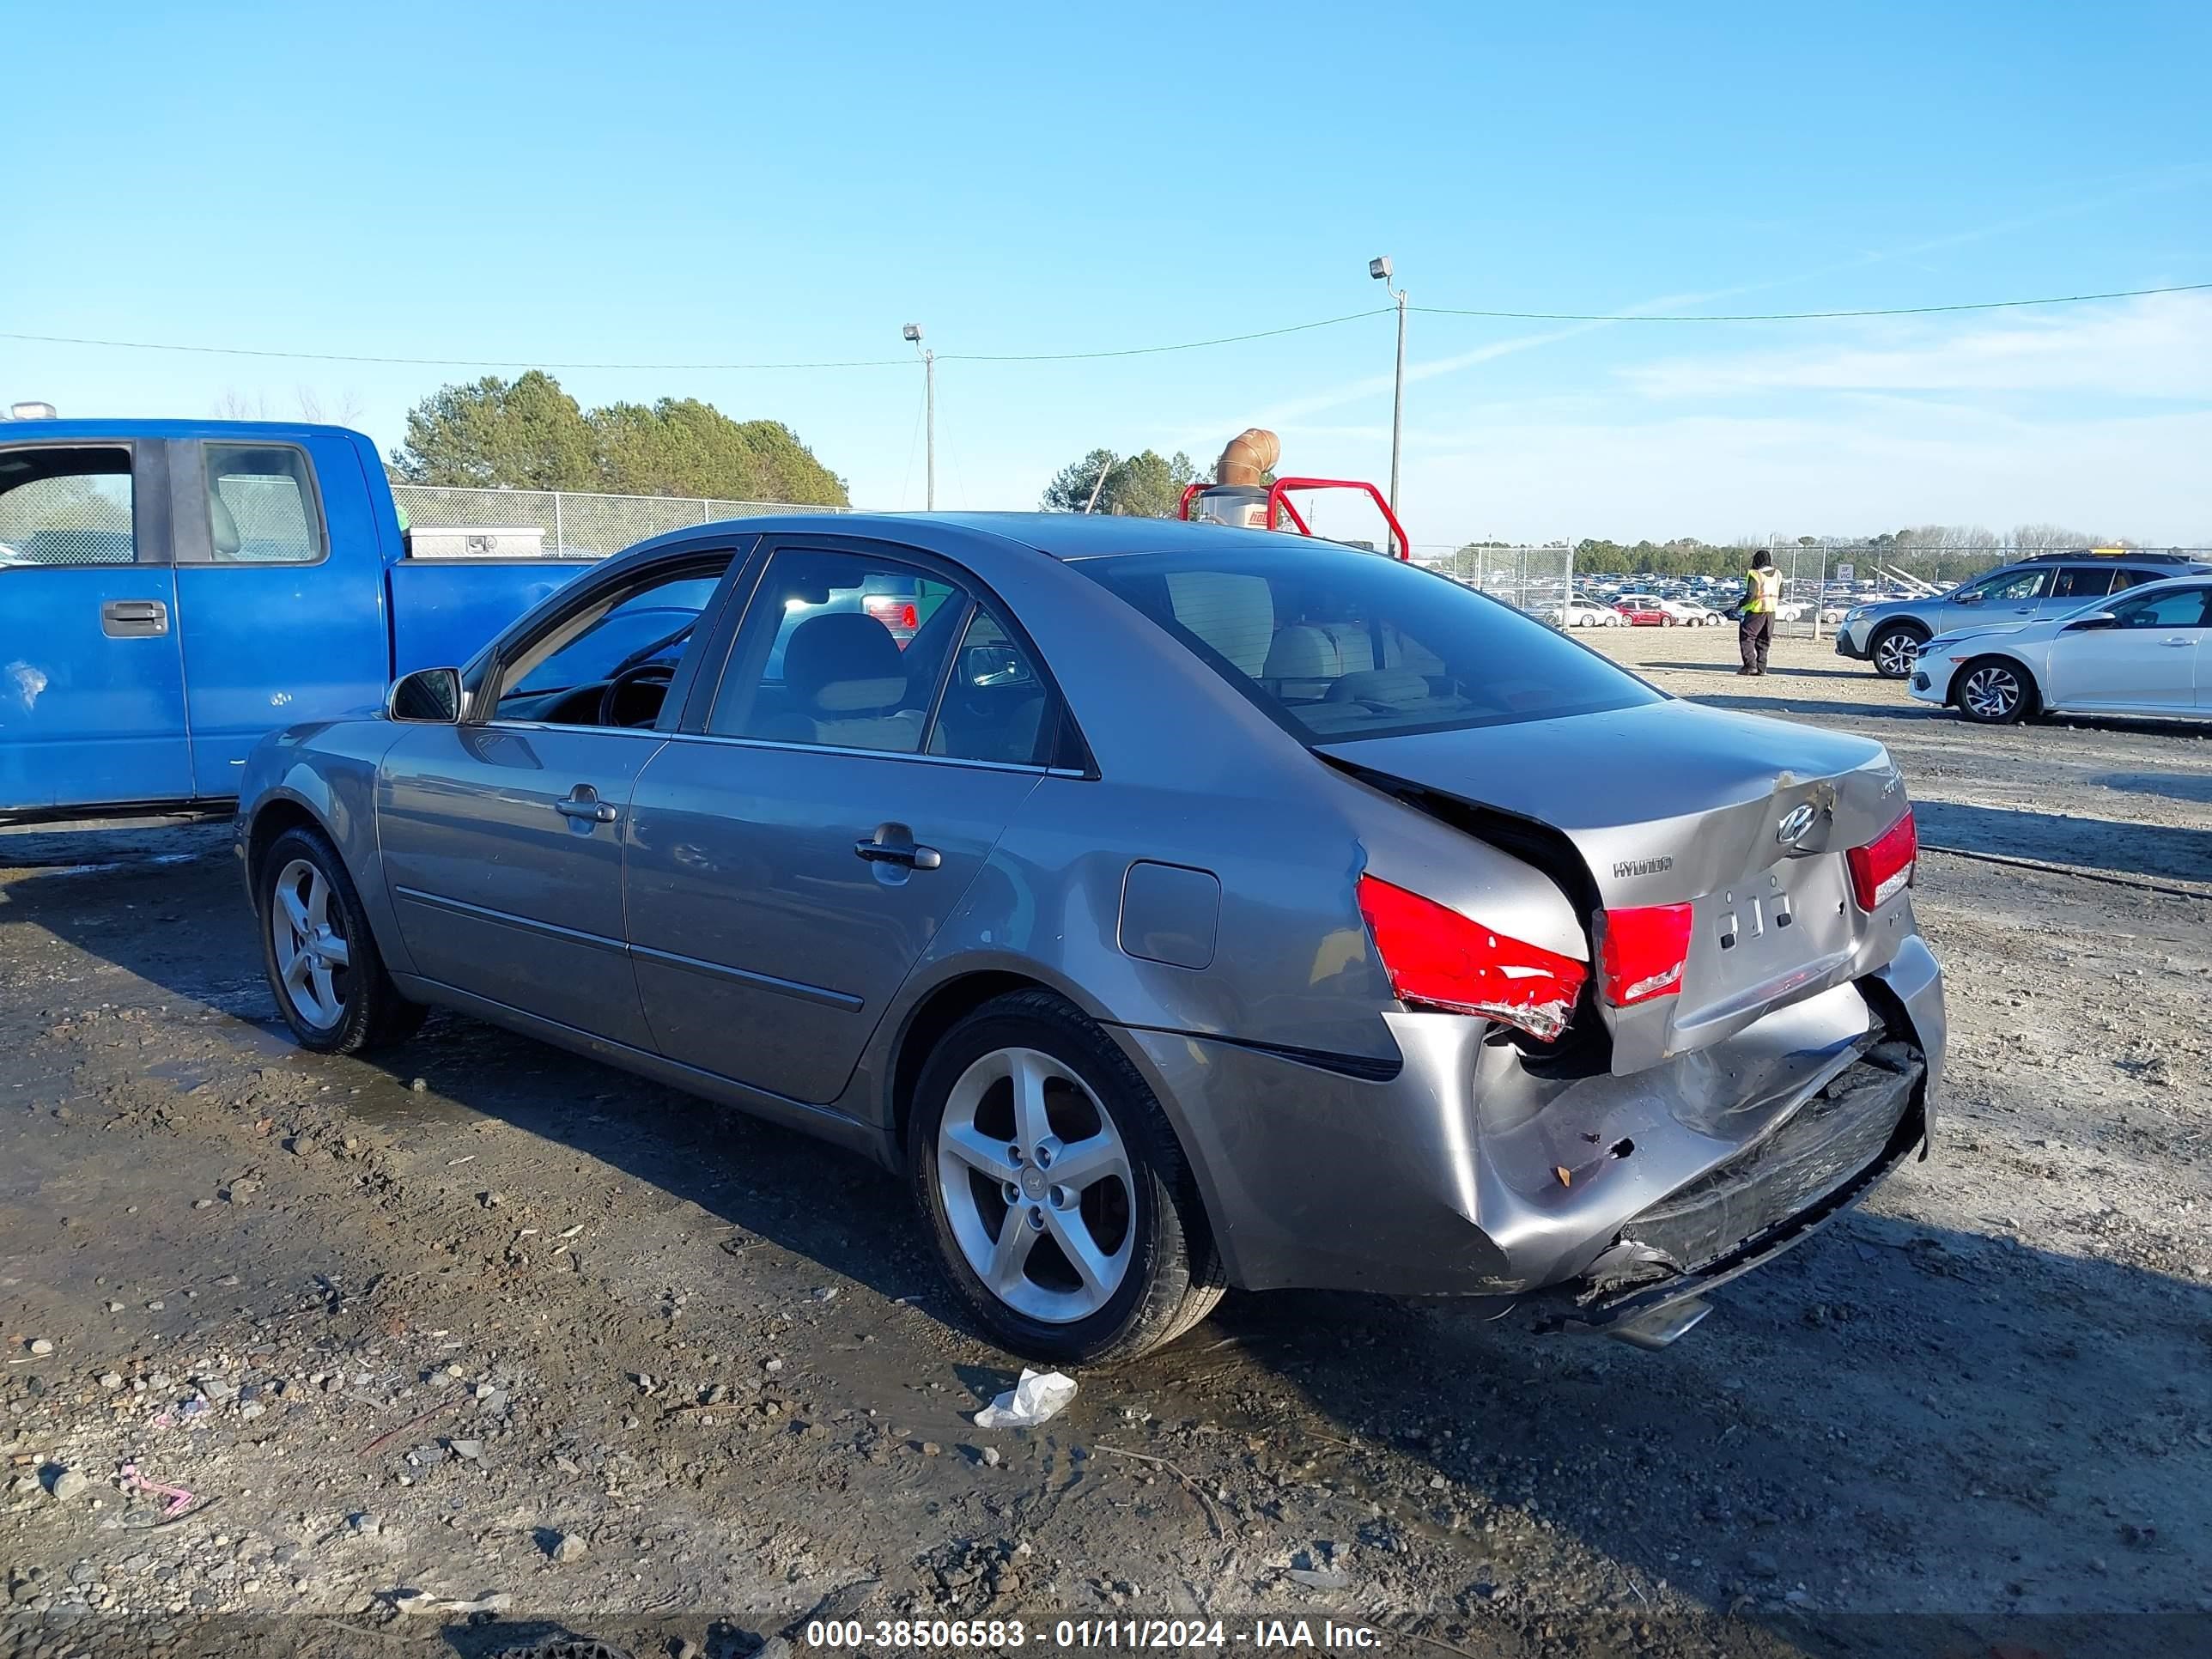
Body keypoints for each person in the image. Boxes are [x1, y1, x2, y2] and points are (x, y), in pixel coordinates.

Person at [1737, 550, 1782, 675]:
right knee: (1764, 641)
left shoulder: (1755, 574)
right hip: (1771, 611)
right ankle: (1762, 669)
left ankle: (1750, 665)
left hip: (1756, 611)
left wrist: (1740, 604)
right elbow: (1781, 593)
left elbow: (1751, 594)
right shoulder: (1778, 574)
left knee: (1747, 637)